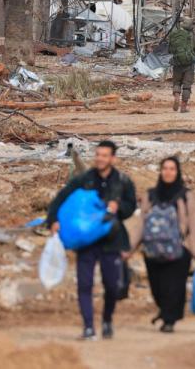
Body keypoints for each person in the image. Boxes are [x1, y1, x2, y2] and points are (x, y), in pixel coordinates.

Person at [47, 140, 137, 340]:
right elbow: (61, 198)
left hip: (112, 239)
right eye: (98, 155)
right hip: (87, 240)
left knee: (112, 285)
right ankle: (88, 327)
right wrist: (53, 220)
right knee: (84, 284)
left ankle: (107, 320)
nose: (100, 159)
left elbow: (131, 207)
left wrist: (118, 208)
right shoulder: (84, 179)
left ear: (112, 158)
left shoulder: (123, 181)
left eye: (104, 155)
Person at [128, 157, 195, 333]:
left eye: (172, 169)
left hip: (180, 249)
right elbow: (141, 223)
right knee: (157, 287)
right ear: (160, 171)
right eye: (165, 168)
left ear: (177, 172)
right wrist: (129, 249)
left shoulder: (186, 196)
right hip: (153, 249)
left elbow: (194, 223)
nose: (168, 172)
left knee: (175, 286)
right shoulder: (150, 195)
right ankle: (164, 311)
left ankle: (169, 320)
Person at [167, 17, 195, 113]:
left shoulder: (176, 35)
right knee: (187, 86)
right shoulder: (194, 38)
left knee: (176, 83)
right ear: (191, 27)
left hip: (177, 63)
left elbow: (169, 50)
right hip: (189, 65)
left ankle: (177, 95)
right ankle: (183, 107)